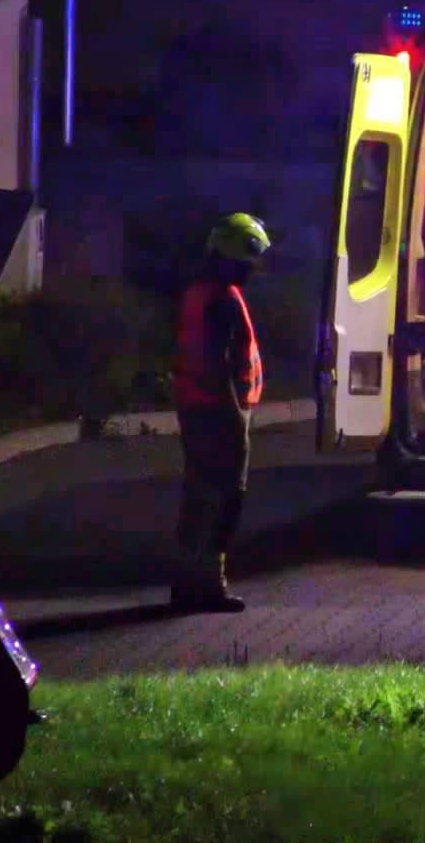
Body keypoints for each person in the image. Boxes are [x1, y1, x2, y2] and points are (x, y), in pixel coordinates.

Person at [168, 212, 271, 613]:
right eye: (249, 261)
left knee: (199, 498)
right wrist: (233, 416)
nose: (253, 270)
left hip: (196, 407)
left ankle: (186, 582)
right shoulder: (222, 300)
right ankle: (210, 584)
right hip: (219, 412)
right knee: (225, 500)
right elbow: (218, 363)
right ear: (232, 257)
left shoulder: (200, 292)